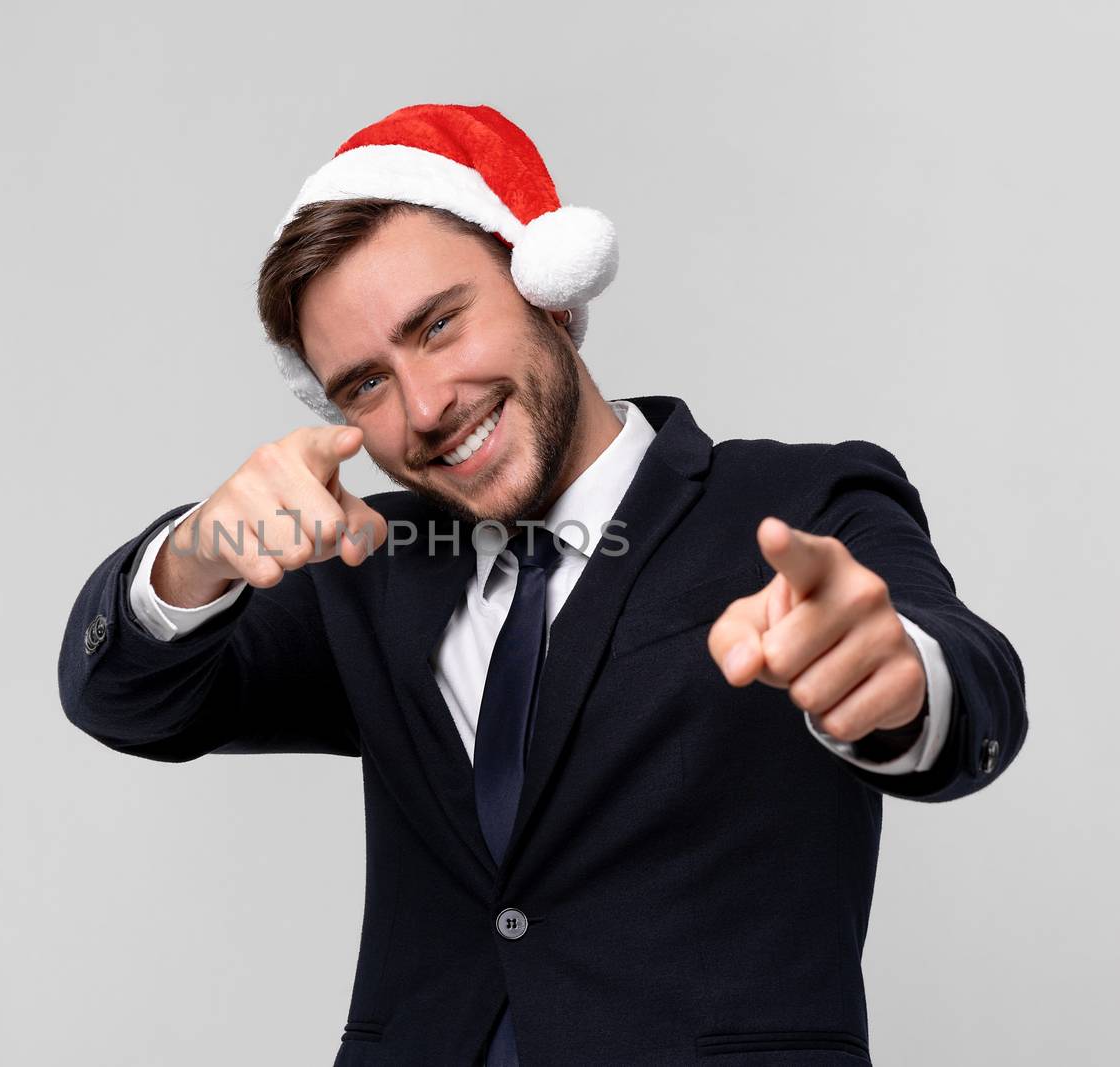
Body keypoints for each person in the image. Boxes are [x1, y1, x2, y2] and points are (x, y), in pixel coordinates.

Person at [57, 103, 1028, 1066]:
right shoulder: (362, 562)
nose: (425, 408)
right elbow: (128, 700)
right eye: (364, 383)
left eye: (438, 324)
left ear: (548, 291)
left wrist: (896, 676)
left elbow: (968, 681)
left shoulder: (796, 499)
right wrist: (198, 550)